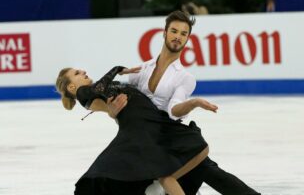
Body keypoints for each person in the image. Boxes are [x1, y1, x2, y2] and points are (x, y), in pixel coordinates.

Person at [107, 10, 261, 195]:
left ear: (188, 39)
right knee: (201, 173)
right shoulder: (143, 69)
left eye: (183, 34)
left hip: (172, 138)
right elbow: (122, 100)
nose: (178, 37)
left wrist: (194, 102)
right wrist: (112, 111)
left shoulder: (185, 77)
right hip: (146, 141)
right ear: (164, 33)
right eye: (174, 31)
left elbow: (174, 110)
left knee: (207, 171)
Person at [55, 66, 210, 195]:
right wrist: (116, 68)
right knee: (177, 164)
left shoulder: (96, 93)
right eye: (77, 73)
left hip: (153, 121)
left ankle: (156, 187)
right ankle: (157, 187)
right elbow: (102, 95)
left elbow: (109, 106)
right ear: (72, 87)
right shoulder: (83, 92)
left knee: (186, 159)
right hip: (142, 127)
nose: (82, 71)